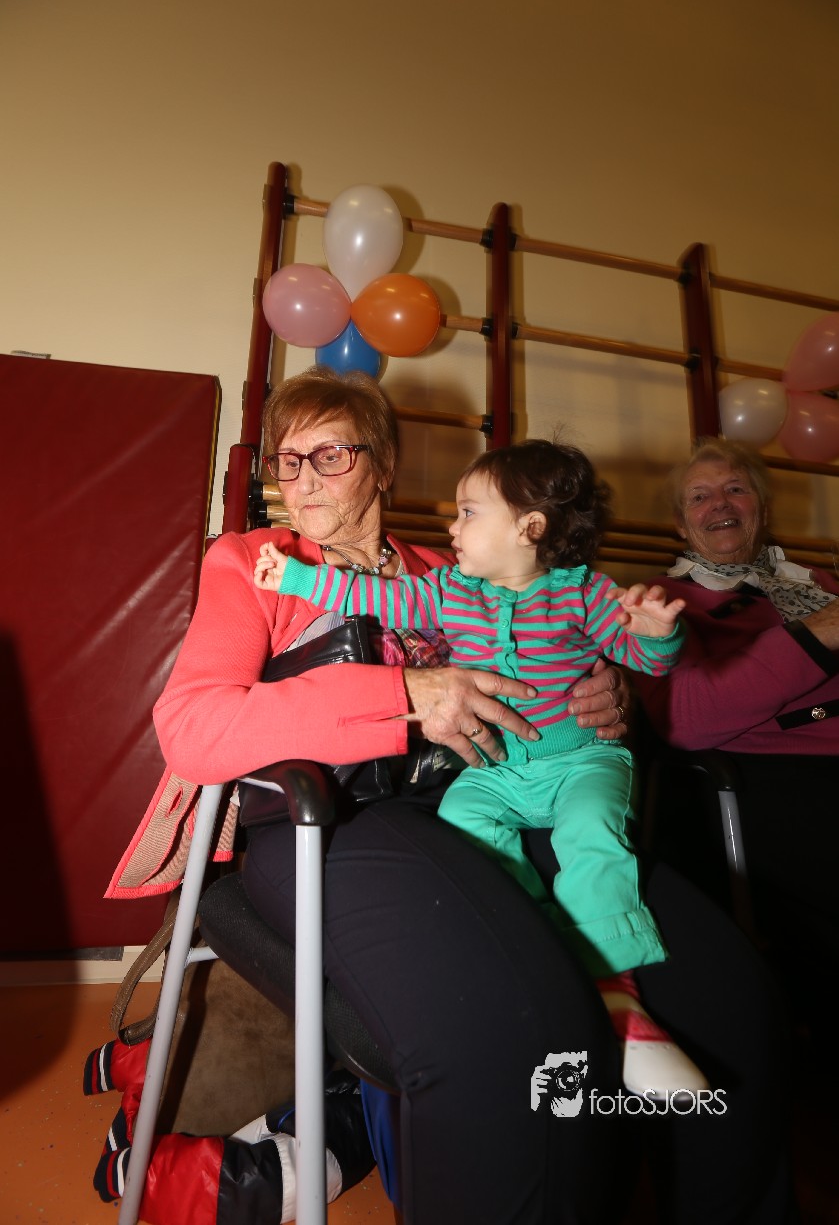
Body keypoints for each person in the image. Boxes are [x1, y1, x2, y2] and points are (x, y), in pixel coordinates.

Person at [146, 370, 796, 1224]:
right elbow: (192, 727)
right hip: (332, 822)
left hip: (492, 796)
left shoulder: (456, 572)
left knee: (727, 996)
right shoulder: (255, 564)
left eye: (330, 454)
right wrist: (405, 694)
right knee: (515, 1027)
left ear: (384, 466)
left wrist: (608, 692)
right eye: (286, 460)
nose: (302, 480)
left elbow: (562, 648)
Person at [254, 438, 707, 1099]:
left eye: (468, 512)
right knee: (463, 819)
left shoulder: (584, 594)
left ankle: (617, 989)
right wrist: (295, 578)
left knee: (591, 833)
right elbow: (378, 597)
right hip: (496, 769)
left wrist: (657, 634)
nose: (452, 526)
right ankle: (538, 940)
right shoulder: (449, 591)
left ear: (530, 528)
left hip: (581, 760)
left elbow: (646, 661)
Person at [631, 435, 839, 1042]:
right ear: (681, 524)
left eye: (735, 489)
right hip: (771, 781)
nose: (719, 503)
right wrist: (817, 634)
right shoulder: (663, 601)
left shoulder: (820, 582)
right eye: (699, 496)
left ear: (761, 508)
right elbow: (687, 718)